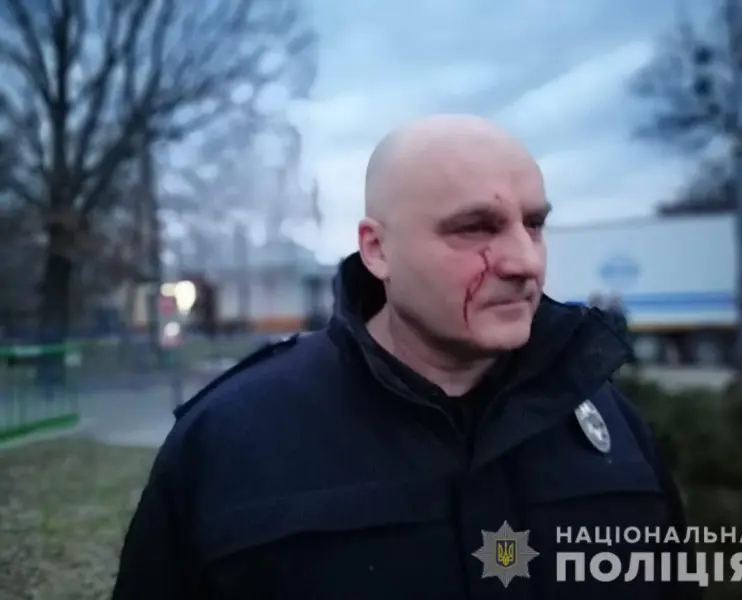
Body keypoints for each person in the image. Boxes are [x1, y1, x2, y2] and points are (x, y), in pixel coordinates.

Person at [112, 114, 700, 599]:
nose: (525, 261)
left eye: (534, 224)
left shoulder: (609, 426)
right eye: (475, 227)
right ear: (377, 249)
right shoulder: (232, 441)